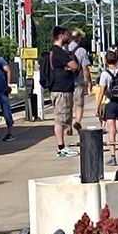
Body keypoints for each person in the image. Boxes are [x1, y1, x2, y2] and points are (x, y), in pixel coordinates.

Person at [47, 26, 79, 158]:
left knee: (62, 118)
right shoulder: (59, 52)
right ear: (60, 36)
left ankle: (62, 146)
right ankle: (61, 147)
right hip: (62, 90)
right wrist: (70, 67)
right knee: (61, 119)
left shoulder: (53, 51)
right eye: (66, 35)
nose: (68, 37)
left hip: (59, 88)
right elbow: (74, 66)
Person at [67, 30, 92, 135]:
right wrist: (89, 82)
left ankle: (69, 126)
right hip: (79, 81)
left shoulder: (64, 49)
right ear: (79, 38)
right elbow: (85, 68)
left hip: (67, 81)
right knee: (79, 104)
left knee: (68, 105)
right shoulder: (82, 51)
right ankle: (77, 121)